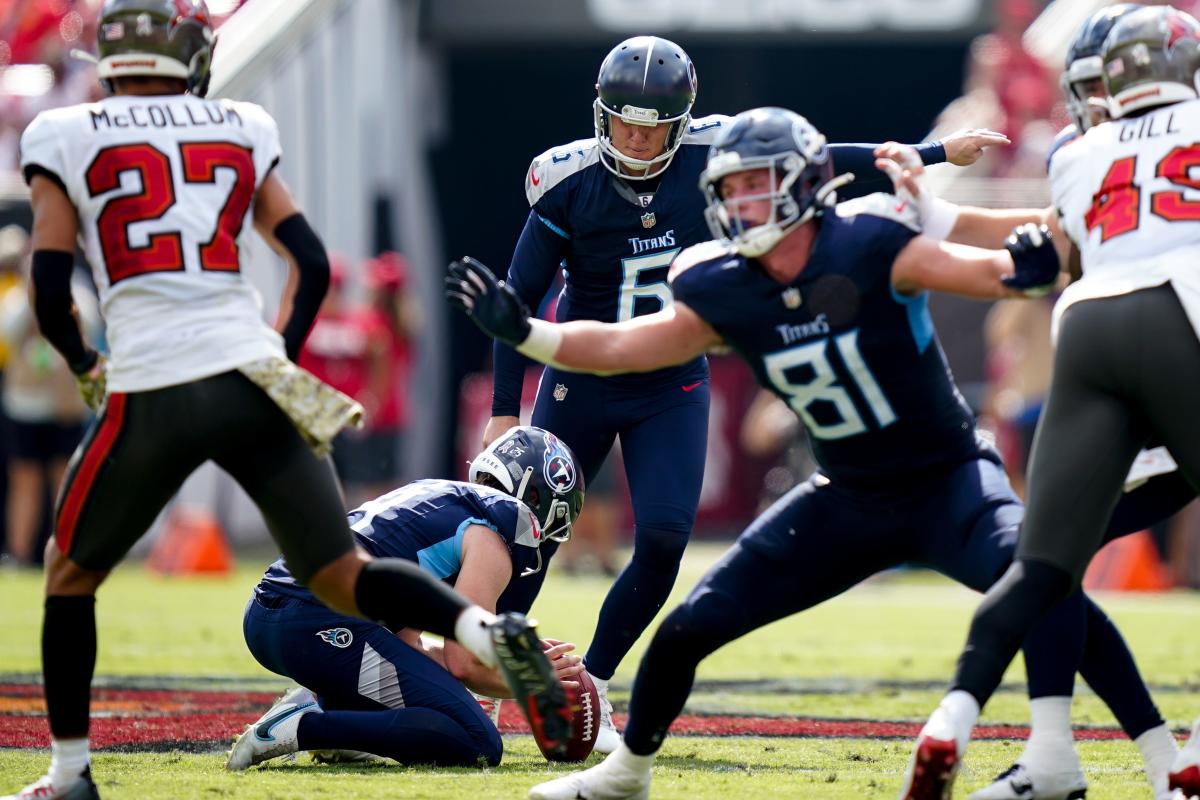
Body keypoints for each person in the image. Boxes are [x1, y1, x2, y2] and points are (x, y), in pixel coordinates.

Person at [447, 106, 1180, 800]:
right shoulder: (719, 282)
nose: (740, 207)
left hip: (947, 480)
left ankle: (1161, 760)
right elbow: (624, 344)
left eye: (755, 189)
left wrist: (1032, 268)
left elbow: (995, 272)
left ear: (803, 184)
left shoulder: (870, 238)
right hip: (847, 495)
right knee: (684, 631)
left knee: (1045, 586)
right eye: (727, 192)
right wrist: (530, 336)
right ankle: (626, 772)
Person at [5, 3, 568, 798]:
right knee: (340, 569)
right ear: (195, 55)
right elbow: (306, 257)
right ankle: (483, 627)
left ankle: (68, 776)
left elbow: (51, 280)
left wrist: (85, 361)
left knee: (68, 574)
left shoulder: (63, 131)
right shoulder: (239, 122)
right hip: (247, 377)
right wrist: (276, 357)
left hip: (153, 381)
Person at [485, 33, 1010, 753]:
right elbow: (515, 301)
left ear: (682, 124)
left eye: (653, 126)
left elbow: (828, 161)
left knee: (666, 539)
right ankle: (482, 679)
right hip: (581, 374)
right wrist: (502, 410)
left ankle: (592, 687)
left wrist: (933, 153)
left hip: (671, 378)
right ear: (601, 114)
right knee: (528, 535)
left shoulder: (715, 156)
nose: (637, 140)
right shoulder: (565, 180)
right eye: (625, 122)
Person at [876, 6, 1196, 798]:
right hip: (1184, 324)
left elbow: (1051, 246)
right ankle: (1179, 757)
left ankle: (962, 722)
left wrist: (933, 211)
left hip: (1089, 330)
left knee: (1042, 564)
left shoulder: (1076, 151)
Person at [230, 426, 586, 769]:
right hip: (312, 620)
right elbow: (465, 664)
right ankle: (305, 726)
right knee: (477, 741)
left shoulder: (441, 497)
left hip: (271, 615)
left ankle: (338, 728)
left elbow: (408, 646)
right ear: (536, 497)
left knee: (430, 706)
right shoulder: (489, 536)